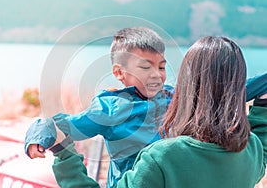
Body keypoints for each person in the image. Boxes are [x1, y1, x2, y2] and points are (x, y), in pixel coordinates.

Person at [48, 36, 267, 188]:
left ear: (187, 86)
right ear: (237, 89)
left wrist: (64, 155)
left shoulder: (161, 158)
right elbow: (263, 149)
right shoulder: (251, 151)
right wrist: (262, 108)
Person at [24, 26, 175, 187]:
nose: (157, 74)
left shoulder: (173, 98)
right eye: (146, 67)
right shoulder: (111, 109)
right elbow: (63, 125)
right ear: (119, 73)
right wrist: (39, 137)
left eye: (161, 67)